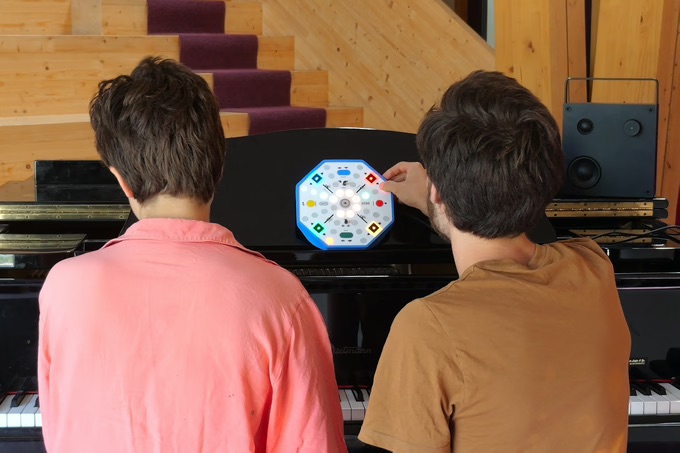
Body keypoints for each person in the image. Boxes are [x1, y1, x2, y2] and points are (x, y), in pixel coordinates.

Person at [38, 57, 346, 453]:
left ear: (122, 181)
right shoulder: (281, 295)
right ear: (218, 167)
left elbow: (62, 425)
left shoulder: (63, 285)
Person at [358, 70, 631, 453]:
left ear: (438, 193)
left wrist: (439, 197)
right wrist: (438, 196)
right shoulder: (593, 267)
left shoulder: (427, 327)